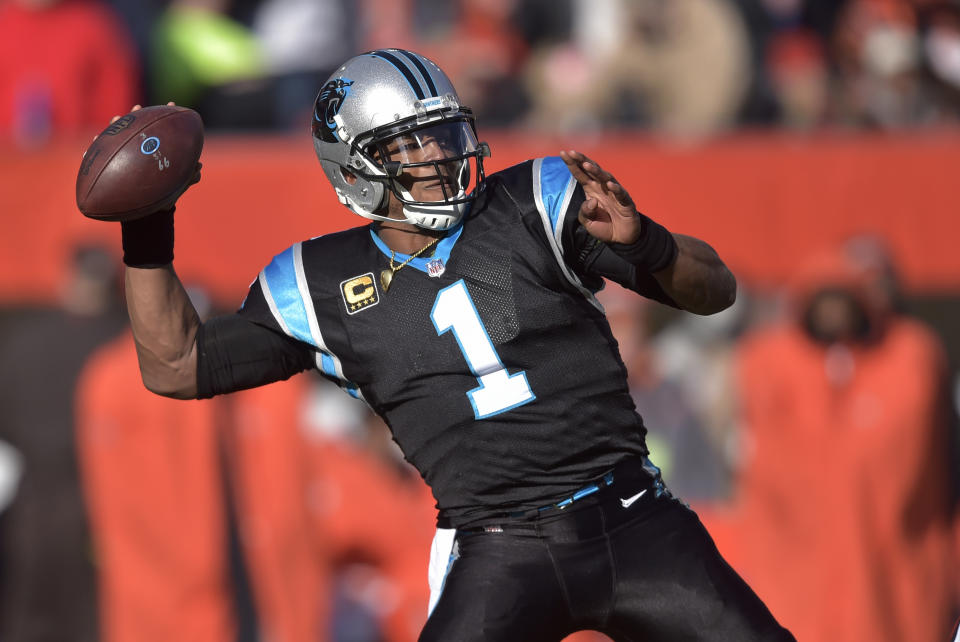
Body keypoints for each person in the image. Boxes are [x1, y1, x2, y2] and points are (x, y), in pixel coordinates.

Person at [108, 49, 793, 641]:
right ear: (357, 167)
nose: (441, 153)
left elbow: (716, 290)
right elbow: (176, 366)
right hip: (499, 549)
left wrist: (648, 244)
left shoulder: (534, 202)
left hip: (635, 519)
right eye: (415, 142)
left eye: (444, 132)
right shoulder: (316, 284)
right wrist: (145, 228)